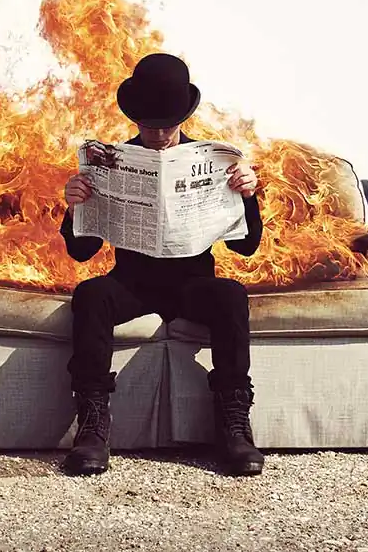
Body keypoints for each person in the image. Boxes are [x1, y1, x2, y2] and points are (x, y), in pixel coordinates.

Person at [59, 52, 265, 477]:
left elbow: (247, 246)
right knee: (91, 293)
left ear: (183, 117)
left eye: (166, 125)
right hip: (132, 282)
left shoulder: (212, 162)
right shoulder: (113, 162)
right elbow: (81, 253)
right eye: (148, 125)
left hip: (191, 283)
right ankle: (92, 427)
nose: (156, 135)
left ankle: (234, 425)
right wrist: (75, 207)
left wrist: (248, 196)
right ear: (135, 118)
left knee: (231, 294)